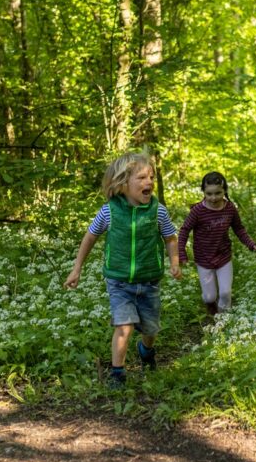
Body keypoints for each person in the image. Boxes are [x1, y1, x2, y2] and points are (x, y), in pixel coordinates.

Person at [63, 152, 181, 389]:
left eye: (151, 177)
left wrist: (174, 262)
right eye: (141, 178)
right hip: (118, 282)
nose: (149, 182)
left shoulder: (158, 211)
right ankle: (118, 374)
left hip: (149, 280)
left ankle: (146, 349)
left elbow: (170, 238)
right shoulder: (109, 212)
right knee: (123, 326)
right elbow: (90, 237)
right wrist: (77, 269)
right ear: (123, 184)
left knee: (150, 328)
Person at [178, 171, 256, 318]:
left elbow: (239, 228)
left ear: (224, 191)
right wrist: (182, 253)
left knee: (225, 293)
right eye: (209, 193)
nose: (214, 198)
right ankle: (210, 307)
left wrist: (250, 244)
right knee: (209, 297)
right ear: (203, 191)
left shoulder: (229, 208)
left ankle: (224, 321)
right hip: (204, 259)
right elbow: (184, 230)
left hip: (224, 256)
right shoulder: (197, 211)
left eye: (218, 193)